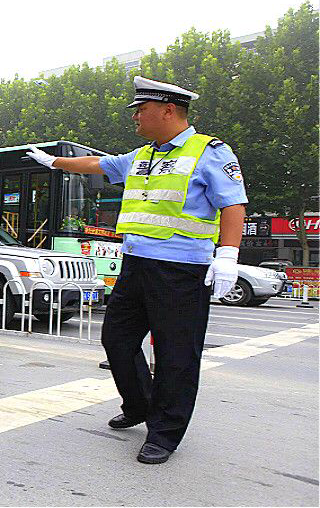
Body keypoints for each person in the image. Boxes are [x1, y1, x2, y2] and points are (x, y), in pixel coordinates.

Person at [24, 76, 246, 465]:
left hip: (181, 271)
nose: (136, 118)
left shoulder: (210, 151)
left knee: (177, 354)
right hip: (136, 265)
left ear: (168, 110)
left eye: (141, 110)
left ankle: (164, 433)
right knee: (118, 341)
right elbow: (97, 163)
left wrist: (227, 255)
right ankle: (141, 404)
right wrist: (54, 161)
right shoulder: (143, 155)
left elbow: (233, 204)